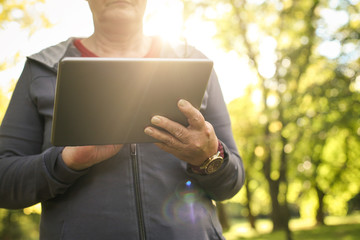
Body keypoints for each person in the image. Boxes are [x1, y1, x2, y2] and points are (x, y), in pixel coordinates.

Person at [0, 0, 245, 239]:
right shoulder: (42, 69)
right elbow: (4, 181)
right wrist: (67, 162)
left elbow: (232, 183)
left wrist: (209, 156)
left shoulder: (196, 63)